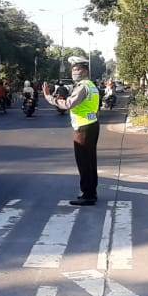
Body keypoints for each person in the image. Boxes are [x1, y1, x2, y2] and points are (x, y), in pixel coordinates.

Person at [43, 56, 100, 206]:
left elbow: (69, 103)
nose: (74, 72)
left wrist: (50, 98)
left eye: (77, 69)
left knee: (84, 162)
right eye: (73, 69)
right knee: (90, 161)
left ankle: (87, 195)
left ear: (85, 70)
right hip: (92, 124)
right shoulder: (91, 85)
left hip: (84, 128)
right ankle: (91, 192)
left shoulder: (83, 86)